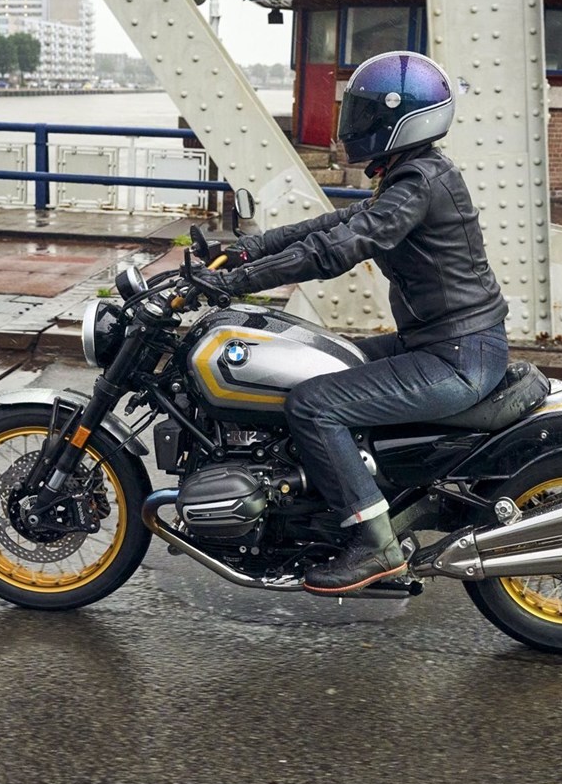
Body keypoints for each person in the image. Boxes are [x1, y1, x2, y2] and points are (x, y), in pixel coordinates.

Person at [193, 50, 511, 595]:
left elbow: (338, 248)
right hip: (446, 343)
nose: (353, 124)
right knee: (324, 359)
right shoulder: (414, 175)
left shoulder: (418, 184)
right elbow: (333, 224)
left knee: (313, 403)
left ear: (399, 119)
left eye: (364, 113)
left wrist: (233, 283)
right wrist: (247, 252)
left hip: (457, 357)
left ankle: (374, 544)